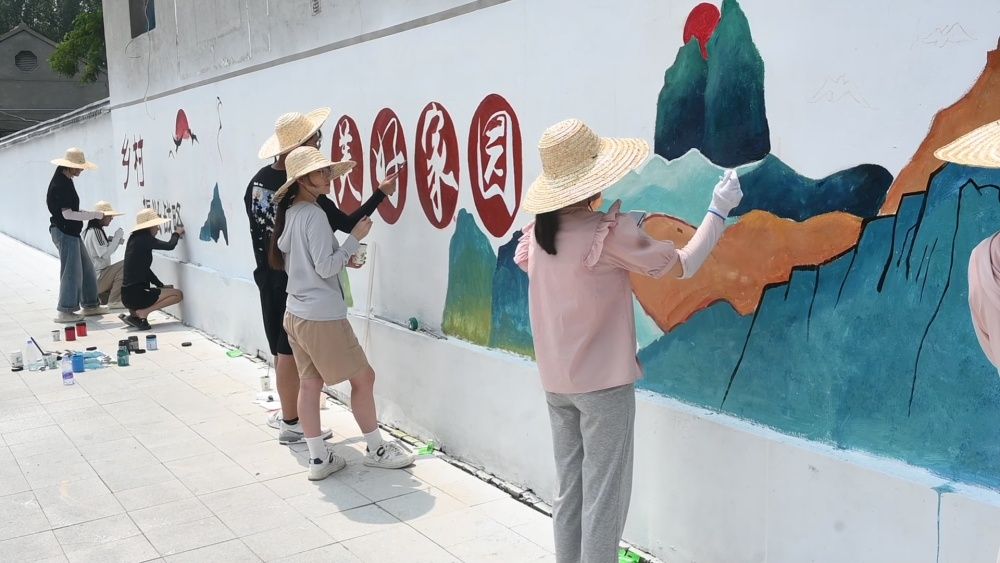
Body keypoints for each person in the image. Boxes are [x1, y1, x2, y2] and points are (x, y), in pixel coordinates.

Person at [514, 119, 743, 563]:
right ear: (592, 180)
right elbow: (685, 264)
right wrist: (719, 209)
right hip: (603, 388)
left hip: (556, 384)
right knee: (605, 499)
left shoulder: (539, 234)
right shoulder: (607, 232)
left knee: (570, 492)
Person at [246, 108, 396, 445]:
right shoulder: (308, 203)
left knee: (294, 362)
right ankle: (370, 445)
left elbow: (278, 242)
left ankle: (296, 429)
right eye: (314, 140)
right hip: (310, 295)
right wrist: (377, 199)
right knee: (352, 375)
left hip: (278, 285)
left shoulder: (260, 184)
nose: (318, 146)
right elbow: (340, 236)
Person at [269, 146, 414, 480]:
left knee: (310, 385)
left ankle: (319, 459)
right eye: (320, 173)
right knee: (364, 378)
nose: (327, 177)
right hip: (321, 316)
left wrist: (343, 255)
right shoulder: (314, 215)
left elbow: (304, 260)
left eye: (326, 171)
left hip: (297, 313)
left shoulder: (292, 212)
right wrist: (353, 240)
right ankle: (377, 449)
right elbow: (324, 267)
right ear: (302, 180)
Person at [46, 148, 109, 323]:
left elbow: (71, 211)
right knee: (71, 272)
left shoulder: (66, 180)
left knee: (87, 269)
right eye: (79, 167)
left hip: (70, 231)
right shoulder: (61, 184)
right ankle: (65, 310)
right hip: (64, 231)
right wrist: (94, 215)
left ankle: (90, 305)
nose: (81, 170)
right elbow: (67, 214)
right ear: (70, 166)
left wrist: (90, 214)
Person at [119, 209, 185, 331]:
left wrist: (160, 285)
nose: (158, 229)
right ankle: (144, 313)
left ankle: (134, 316)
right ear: (149, 226)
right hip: (138, 296)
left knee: (166, 291)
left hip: (127, 296)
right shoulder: (145, 239)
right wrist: (177, 233)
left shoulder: (134, 239)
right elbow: (170, 246)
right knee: (177, 294)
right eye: (156, 226)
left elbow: (145, 269)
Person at [82, 201, 127, 310]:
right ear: (100, 217)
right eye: (109, 216)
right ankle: (114, 301)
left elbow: (105, 251)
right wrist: (117, 237)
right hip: (97, 277)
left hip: (95, 278)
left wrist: (114, 241)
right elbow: (105, 254)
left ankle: (104, 297)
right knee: (126, 264)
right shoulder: (96, 231)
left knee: (119, 270)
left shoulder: (90, 231)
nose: (112, 218)